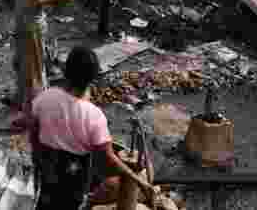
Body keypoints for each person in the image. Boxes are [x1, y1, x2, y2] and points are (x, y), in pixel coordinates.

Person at [21, 47, 159, 209]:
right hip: (73, 179)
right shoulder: (94, 116)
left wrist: (38, 156)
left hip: (46, 170)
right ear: (92, 79)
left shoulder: (46, 97)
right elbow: (109, 158)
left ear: (65, 72)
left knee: (45, 201)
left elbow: (33, 130)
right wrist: (139, 181)